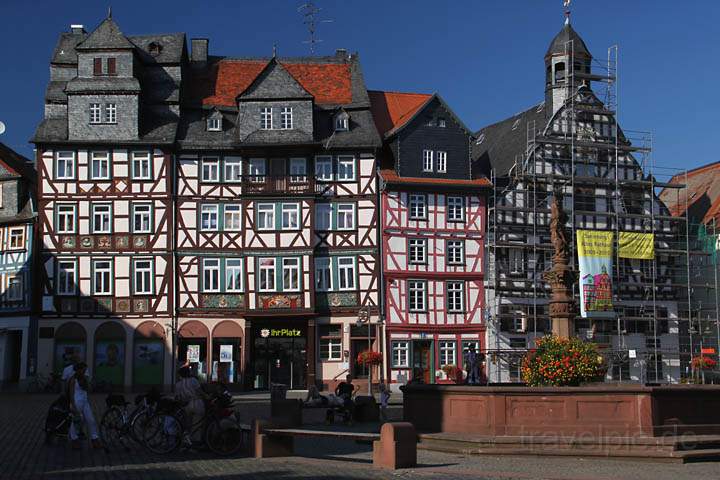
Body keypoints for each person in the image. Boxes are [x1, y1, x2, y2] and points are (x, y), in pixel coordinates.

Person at [67, 362, 101, 450]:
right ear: (78, 370)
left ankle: (95, 438)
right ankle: (74, 439)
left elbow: (89, 390)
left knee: (91, 420)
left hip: (85, 402)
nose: (84, 371)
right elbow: (71, 393)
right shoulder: (73, 379)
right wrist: (73, 405)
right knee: (75, 422)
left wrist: (88, 383)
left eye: (85, 370)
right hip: (76, 402)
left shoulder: (84, 379)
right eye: (83, 369)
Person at [175, 365, 207, 444]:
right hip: (197, 403)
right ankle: (196, 441)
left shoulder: (178, 384)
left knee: (188, 424)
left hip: (187, 405)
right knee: (198, 424)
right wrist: (207, 396)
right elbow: (199, 391)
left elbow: (178, 397)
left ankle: (187, 440)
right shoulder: (193, 380)